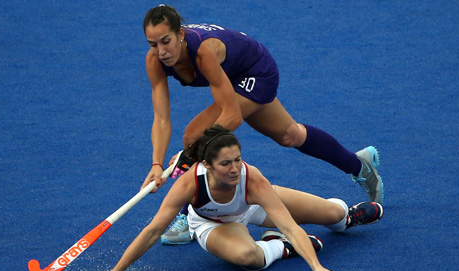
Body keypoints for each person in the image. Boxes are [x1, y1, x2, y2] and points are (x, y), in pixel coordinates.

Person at [139, 5, 384, 244]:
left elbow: (232, 116)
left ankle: (186, 216)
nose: (161, 51)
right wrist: (157, 163)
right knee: (291, 135)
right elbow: (161, 118)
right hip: (232, 74)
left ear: (180, 34)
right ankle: (358, 164)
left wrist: (191, 154)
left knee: (194, 136)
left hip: (256, 71)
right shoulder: (155, 61)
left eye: (166, 41)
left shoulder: (204, 52)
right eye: (153, 44)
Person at [76, 126, 383, 271]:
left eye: (238, 159)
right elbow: (154, 229)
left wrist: (316, 267)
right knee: (249, 258)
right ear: (207, 165)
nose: (235, 168)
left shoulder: (252, 179)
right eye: (226, 163)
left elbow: (289, 222)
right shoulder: (188, 185)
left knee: (333, 215)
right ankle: (279, 247)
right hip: (212, 224)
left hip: (250, 206)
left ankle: (346, 217)